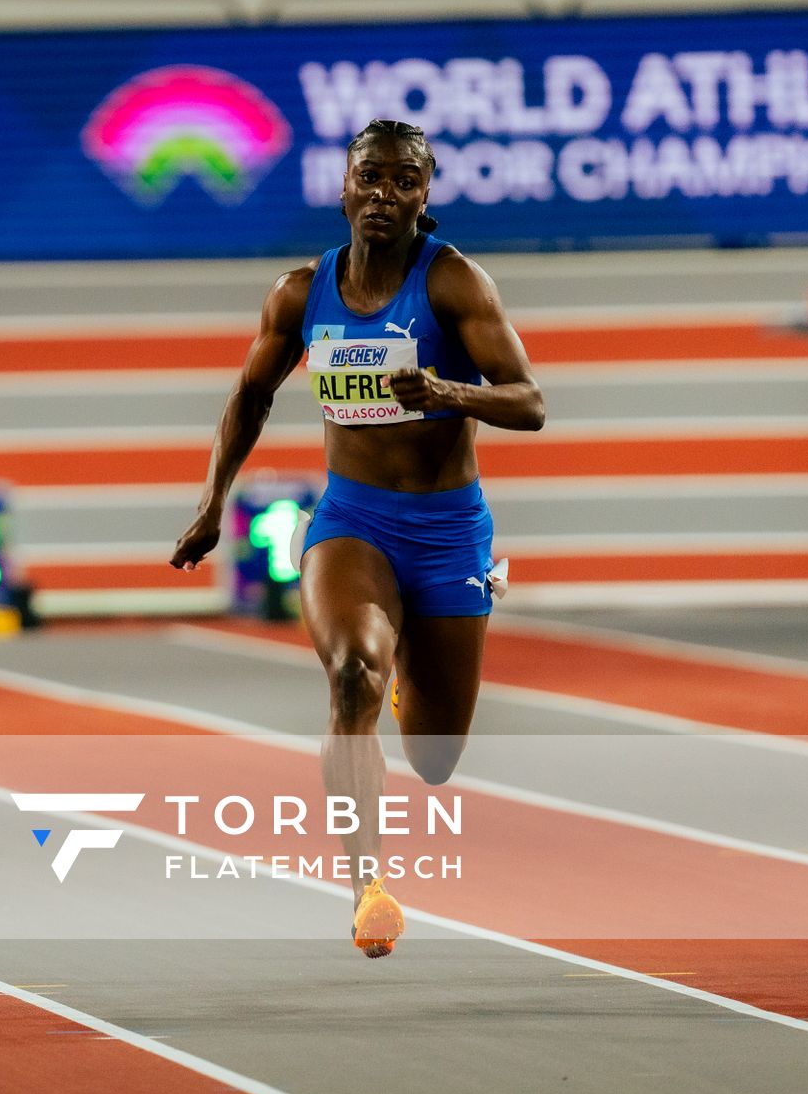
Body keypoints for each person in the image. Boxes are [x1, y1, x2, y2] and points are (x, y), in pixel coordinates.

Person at [170, 119, 544, 958]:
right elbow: (251, 394)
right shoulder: (301, 295)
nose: (384, 194)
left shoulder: (454, 285)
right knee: (350, 677)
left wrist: (448, 390)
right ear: (343, 189)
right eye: (368, 178)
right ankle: (367, 886)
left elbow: (530, 401)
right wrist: (209, 504)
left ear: (425, 195)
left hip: (449, 529)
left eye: (403, 181)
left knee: (437, 758)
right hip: (353, 520)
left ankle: (419, 667)